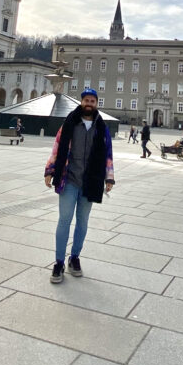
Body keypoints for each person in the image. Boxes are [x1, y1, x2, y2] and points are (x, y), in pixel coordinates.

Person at [44, 88, 114, 283]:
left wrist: (109, 178)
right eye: (86, 100)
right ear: (81, 102)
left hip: (90, 181)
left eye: (92, 101)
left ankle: (74, 257)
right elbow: (57, 147)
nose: (89, 103)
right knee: (64, 220)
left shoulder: (102, 128)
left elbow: (108, 154)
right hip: (69, 179)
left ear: (96, 104)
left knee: (82, 222)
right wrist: (50, 170)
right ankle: (59, 262)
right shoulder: (70, 123)